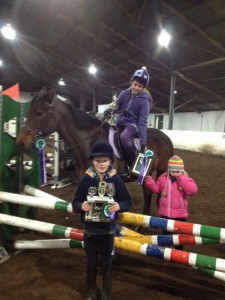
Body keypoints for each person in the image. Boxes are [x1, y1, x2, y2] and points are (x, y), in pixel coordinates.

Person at [72, 141, 132, 300]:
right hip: (90, 231)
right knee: (90, 263)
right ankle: (91, 292)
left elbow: (127, 201)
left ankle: (106, 294)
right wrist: (81, 206)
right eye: (97, 161)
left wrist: (119, 206)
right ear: (92, 161)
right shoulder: (86, 179)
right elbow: (75, 201)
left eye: (104, 160)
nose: (101, 164)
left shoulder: (117, 180)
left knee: (106, 264)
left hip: (108, 231)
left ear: (110, 161)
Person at [144, 155, 198, 250]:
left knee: (179, 237)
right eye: (173, 171)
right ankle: (165, 252)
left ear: (182, 171)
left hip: (180, 215)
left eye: (178, 172)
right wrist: (149, 181)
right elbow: (157, 189)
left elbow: (192, 191)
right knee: (165, 235)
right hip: (165, 214)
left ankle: (179, 252)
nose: (176, 174)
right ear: (169, 170)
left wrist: (182, 179)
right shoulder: (162, 178)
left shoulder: (186, 179)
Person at [105, 66, 152, 170]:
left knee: (123, 137)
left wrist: (143, 143)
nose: (136, 88)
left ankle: (132, 164)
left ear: (143, 87)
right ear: (131, 82)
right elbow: (116, 105)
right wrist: (108, 110)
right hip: (121, 121)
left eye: (140, 86)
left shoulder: (144, 101)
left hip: (133, 124)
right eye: (135, 84)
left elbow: (143, 122)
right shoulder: (124, 93)